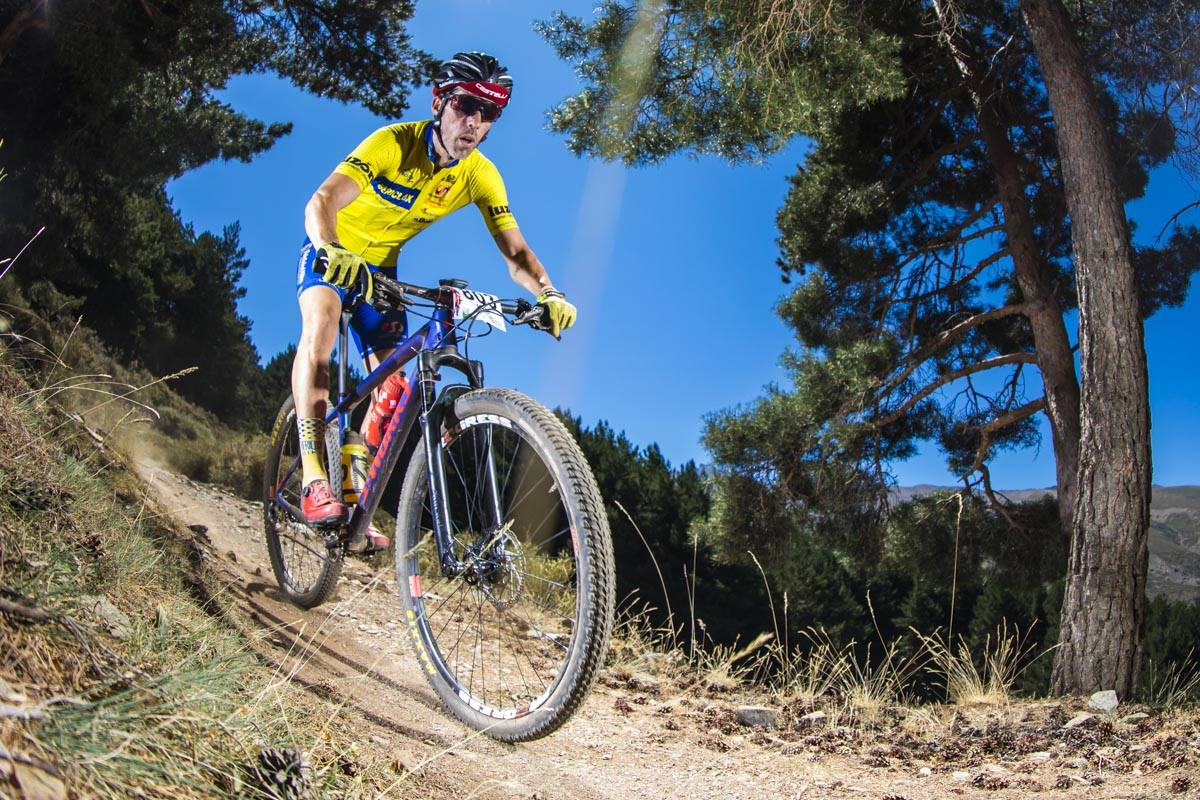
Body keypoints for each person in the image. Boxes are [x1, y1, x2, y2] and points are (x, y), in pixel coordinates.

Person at [291, 52, 577, 546]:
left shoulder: (478, 175)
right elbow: (322, 202)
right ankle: (315, 477)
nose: (475, 122)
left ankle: (355, 480)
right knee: (320, 333)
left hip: (380, 272)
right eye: (466, 105)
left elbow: (516, 252)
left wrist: (549, 292)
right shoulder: (393, 144)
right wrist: (330, 248)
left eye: (490, 113)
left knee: (395, 387)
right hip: (332, 250)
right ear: (439, 101)